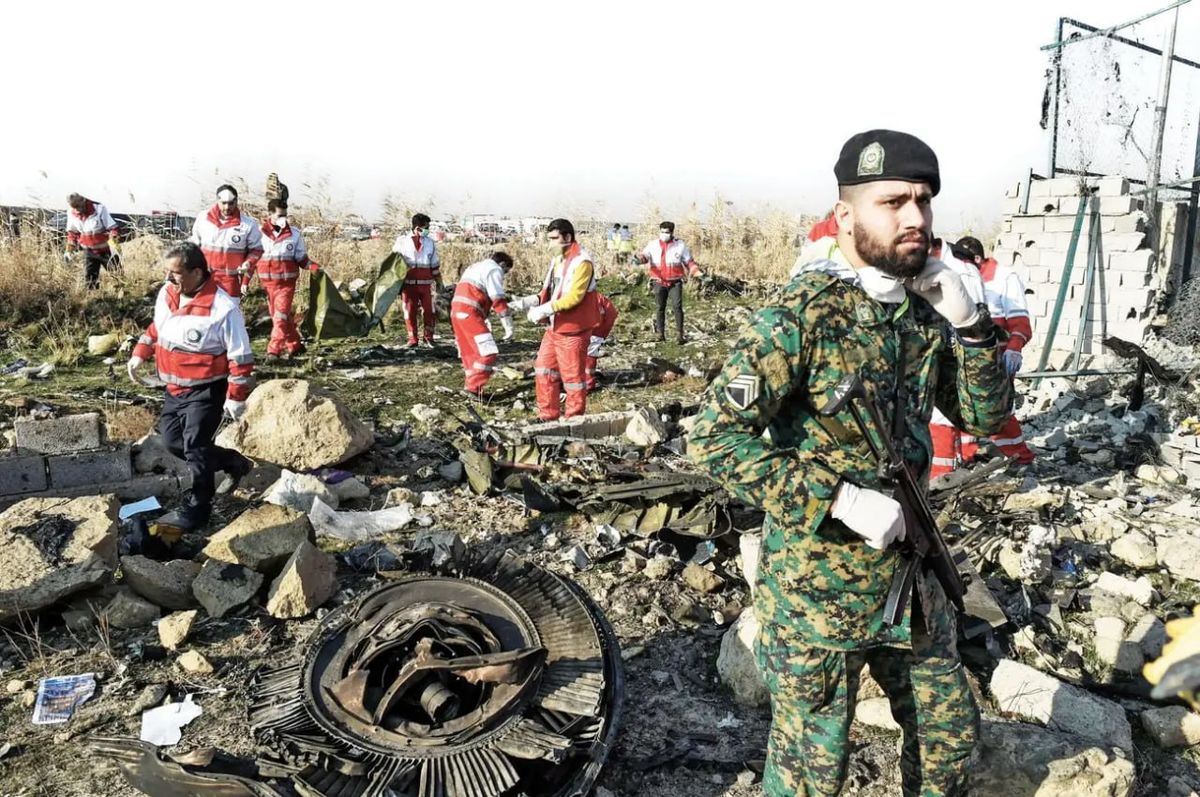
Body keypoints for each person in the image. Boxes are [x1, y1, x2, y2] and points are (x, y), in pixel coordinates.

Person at [689, 130, 1012, 797]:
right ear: (846, 217)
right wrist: (835, 498)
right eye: (893, 202)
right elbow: (714, 435)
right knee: (813, 771)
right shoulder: (801, 317)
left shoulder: (923, 314)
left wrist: (975, 326)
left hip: (911, 578)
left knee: (949, 736)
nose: (916, 217)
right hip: (816, 590)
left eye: (924, 201)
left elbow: (982, 417)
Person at [127, 242, 254, 530]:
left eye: (176, 273)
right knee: (174, 443)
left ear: (197, 272)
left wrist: (236, 397)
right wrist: (140, 353)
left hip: (206, 391)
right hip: (173, 388)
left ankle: (198, 509)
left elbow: (241, 357)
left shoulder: (223, 309)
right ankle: (233, 462)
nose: (169, 278)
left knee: (195, 448)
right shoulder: (168, 293)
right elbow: (157, 328)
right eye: (168, 272)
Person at [955, 235, 1036, 467]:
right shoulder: (964, 276)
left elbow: (1020, 321)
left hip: (997, 359)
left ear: (978, 259)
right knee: (962, 406)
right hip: (967, 357)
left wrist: (1014, 349)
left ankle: (1020, 458)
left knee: (998, 411)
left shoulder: (1004, 278)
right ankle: (967, 457)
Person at [528, 219, 601, 420]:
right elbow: (552, 290)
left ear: (568, 237)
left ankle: (574, 420)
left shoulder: (582, 262)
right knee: (544, 370)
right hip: (555, 327)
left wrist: (545, 309)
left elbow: (575, 296)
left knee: (572, 379)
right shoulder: (559, 260)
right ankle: (547, 416)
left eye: (554, 239)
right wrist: (533, 302)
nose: (550, 243)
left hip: (573, 329)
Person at [451, 252, 535, 395]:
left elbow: (476, 293)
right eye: (506, 272)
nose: (504, 275)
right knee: (488, 352)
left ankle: (472, 387)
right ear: (502, 265)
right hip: (470, 314)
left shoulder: (475, 267)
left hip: (457, 312)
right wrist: (508, 327)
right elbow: (498, 300)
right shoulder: (494, 269)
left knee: (470, 353)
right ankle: (473, 388)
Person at [249, 198, 320, 361]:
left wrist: (316, 268)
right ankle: (295, 345)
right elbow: (252, 259)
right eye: (280, 215)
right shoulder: (258, 234)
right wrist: (245, 281)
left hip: (286, 285)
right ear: (270, 215)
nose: (283, 219)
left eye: (285, 216)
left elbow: (302, 259)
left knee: (279, 318)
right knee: (282, 317)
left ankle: (273, 351)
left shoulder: (294, 234)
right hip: (268, 286)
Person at [189, 184, 263, 301]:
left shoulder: (248, 225)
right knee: (202, 316)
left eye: (231, 203)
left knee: (229, 316)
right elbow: (194, 244)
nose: (227, 207)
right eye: (223, 203)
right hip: (203, 278)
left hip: (230, 281)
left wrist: (248, 263)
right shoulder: (203, 218)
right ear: (217, 201)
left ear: (236, 201)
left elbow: (257, 249)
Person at [633, 221, 701, 343]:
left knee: (677, 307)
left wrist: (696, 271)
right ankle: (660, 334)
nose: (664, 234)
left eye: (667, 232)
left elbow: (688, 261)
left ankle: (680, 335)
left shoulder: (680, 245)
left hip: (675, 282)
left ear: (672, 233)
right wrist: (638, 260)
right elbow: (645, 256)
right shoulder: (652, 244)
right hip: (658, 281)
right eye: (662, 232)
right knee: (660, 307)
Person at [392, 212, 443, 347]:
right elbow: (394, 263)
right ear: (417, 228)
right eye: (426, 227)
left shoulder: (430, 243)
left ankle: (429, 338)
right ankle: (413, 339)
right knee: (409, 312)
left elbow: (434, 265)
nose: (428, 230)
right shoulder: (401, 242)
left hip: (426, 285)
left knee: (429, 312)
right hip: (408, 285)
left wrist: (439, 283)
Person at [65, 193, 120, 289]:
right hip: (89, 252)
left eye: (77, 206)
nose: (76, 210)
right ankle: (95, 300)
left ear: (83, 200)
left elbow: (114, 229)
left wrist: (114, 245)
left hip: (106, 251)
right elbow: (72, 234)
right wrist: (69, 250)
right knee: (90, 282)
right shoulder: (71, 212)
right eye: (73, 207)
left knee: (118, 276)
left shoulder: (99, 209)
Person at [585, 292, 619, 391]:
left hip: (597, 326)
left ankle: (588, 382)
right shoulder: (592, 296)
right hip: (599, 324)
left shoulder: (590, 299)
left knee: (589, 352)